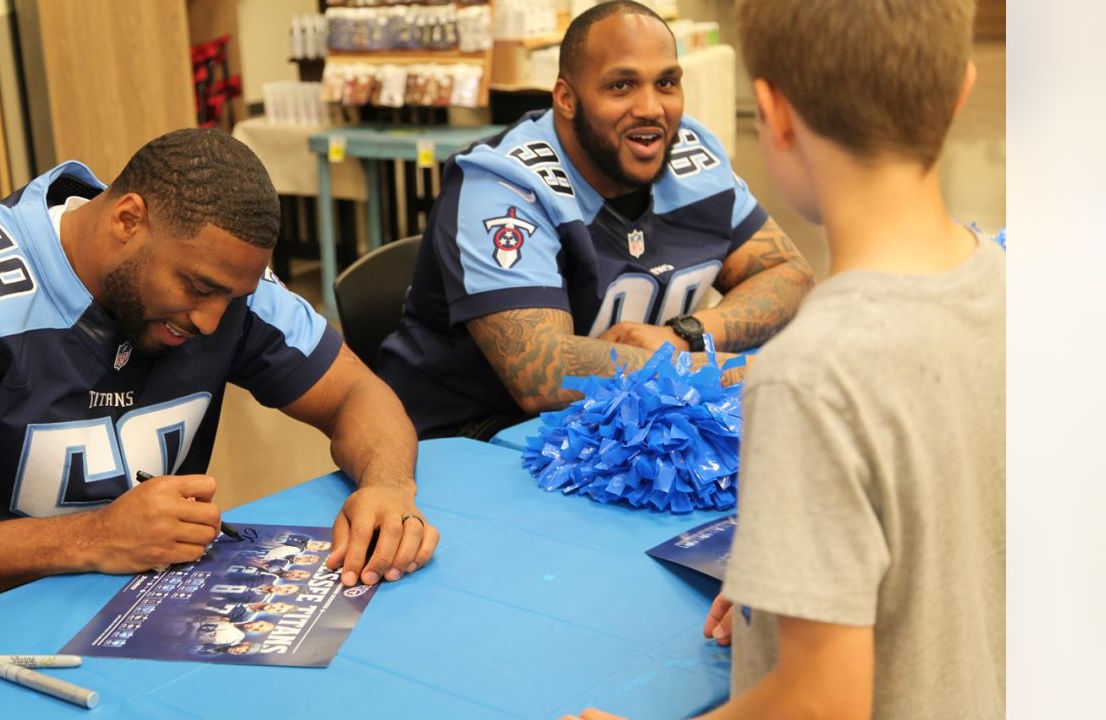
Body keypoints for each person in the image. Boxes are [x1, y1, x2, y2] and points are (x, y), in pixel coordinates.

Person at [568, 1, 1004, 718]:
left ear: (773, 114)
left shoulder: (809, 377)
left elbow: (820, 702)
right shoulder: (1022, 295)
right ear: (960, 88)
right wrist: (803, 574)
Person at [0, 128, 440, 612]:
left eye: (231, 297)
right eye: (197, 288)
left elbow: (354, 392)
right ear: (127, 220)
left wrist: (389, 485)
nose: (211, 321)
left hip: (136, 606)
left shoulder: (224, 277)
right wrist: (92, 538)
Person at [378, 0, 814, 439]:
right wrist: (719, 372)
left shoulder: (692, 153)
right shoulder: (503, 184)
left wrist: (688, 334)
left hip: (624, 422)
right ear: (567, 98)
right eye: (621, 86)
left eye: (666, 82)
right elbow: (541, 373)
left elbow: (788, 272)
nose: (651, 108)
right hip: (478, 440)